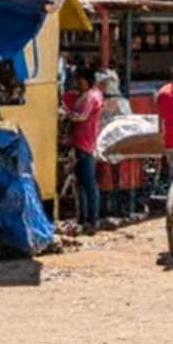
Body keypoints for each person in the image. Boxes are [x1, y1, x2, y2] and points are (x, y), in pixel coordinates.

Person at [63, 69, 103, 234]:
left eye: (80, 81)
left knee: (87, 183)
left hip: (84, 142)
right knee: (81, 183)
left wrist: (66, 114)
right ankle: (84, 219)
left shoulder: (90, 97)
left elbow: (81, 116)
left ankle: (91, 220)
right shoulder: (94, 95)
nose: (77, 84)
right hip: (83, 142)